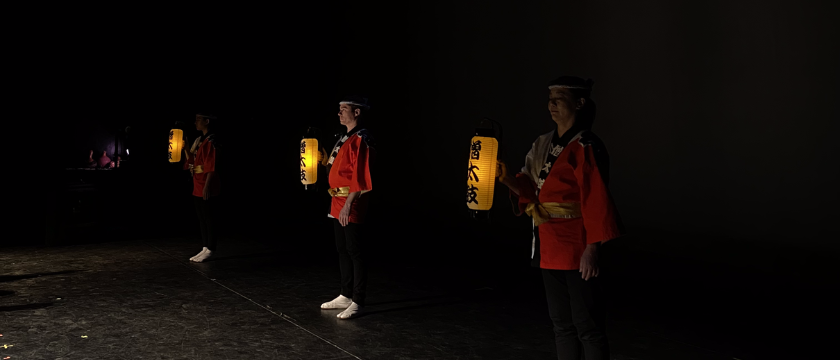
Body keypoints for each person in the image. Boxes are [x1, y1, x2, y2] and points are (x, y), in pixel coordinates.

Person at [497, 76, 622, 360]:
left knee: (588, 327)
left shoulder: (586, 145)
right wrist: (505, 179)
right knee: (561, 325)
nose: (551, 105)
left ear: (579, 104)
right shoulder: (542, 143)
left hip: (577, 244)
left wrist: (593, 248)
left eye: (559, 99)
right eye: (550, 99)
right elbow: (529, 187)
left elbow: (596, 198)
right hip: (548, 241)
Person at [318, 95, 375, 320]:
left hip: (351, 201)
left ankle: (358, 299)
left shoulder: (362, 138)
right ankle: (345, 293)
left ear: (357, 112)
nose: (339, 113)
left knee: (355, 250)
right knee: (342, 248)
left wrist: (348, 205)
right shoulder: (344, 137)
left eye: (344, 109)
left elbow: (360, 176)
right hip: (337, 200)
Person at [183, 113, 221, 262]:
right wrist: (186, 148)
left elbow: (211, 166)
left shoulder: (212, 141)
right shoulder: (200, 140)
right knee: (201, 217)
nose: (195, 122)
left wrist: (207, 186)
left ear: (207, 121)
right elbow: (191, 161)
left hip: (206, 181)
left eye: (199, 119)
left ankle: (210, 247)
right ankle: (205, 246)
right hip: (197, 182)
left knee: (209, 217)